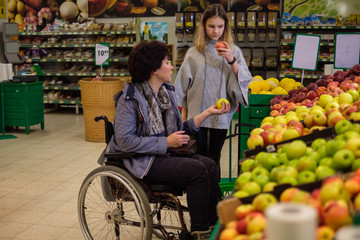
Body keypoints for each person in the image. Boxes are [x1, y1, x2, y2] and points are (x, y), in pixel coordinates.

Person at [109, 40, 230, 239]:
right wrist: (166, 142)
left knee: (210, 165)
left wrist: (208, 112)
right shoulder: (129, 99)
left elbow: (179, 130)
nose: (172, 66)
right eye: (167, 62)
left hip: (165, 155)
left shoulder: (166, 93)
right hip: (143, 162)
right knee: (198, 171)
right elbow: (125, 141)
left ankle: (212, 224)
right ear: (154, 69)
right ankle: (200, 232)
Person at [174, 4, 252, 167]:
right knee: (197, 159)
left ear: (225, 27)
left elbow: (245, 80)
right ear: (203, 26)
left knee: (214, 159)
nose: (216, 31)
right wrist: (179, 118)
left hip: (221, 116)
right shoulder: (193, 53)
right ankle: (200, 191)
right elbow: (182, 87)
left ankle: (213, 192)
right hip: (197, 116)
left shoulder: (234, 52)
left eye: (220, 26)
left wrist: (231, 60)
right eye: (211, 26)